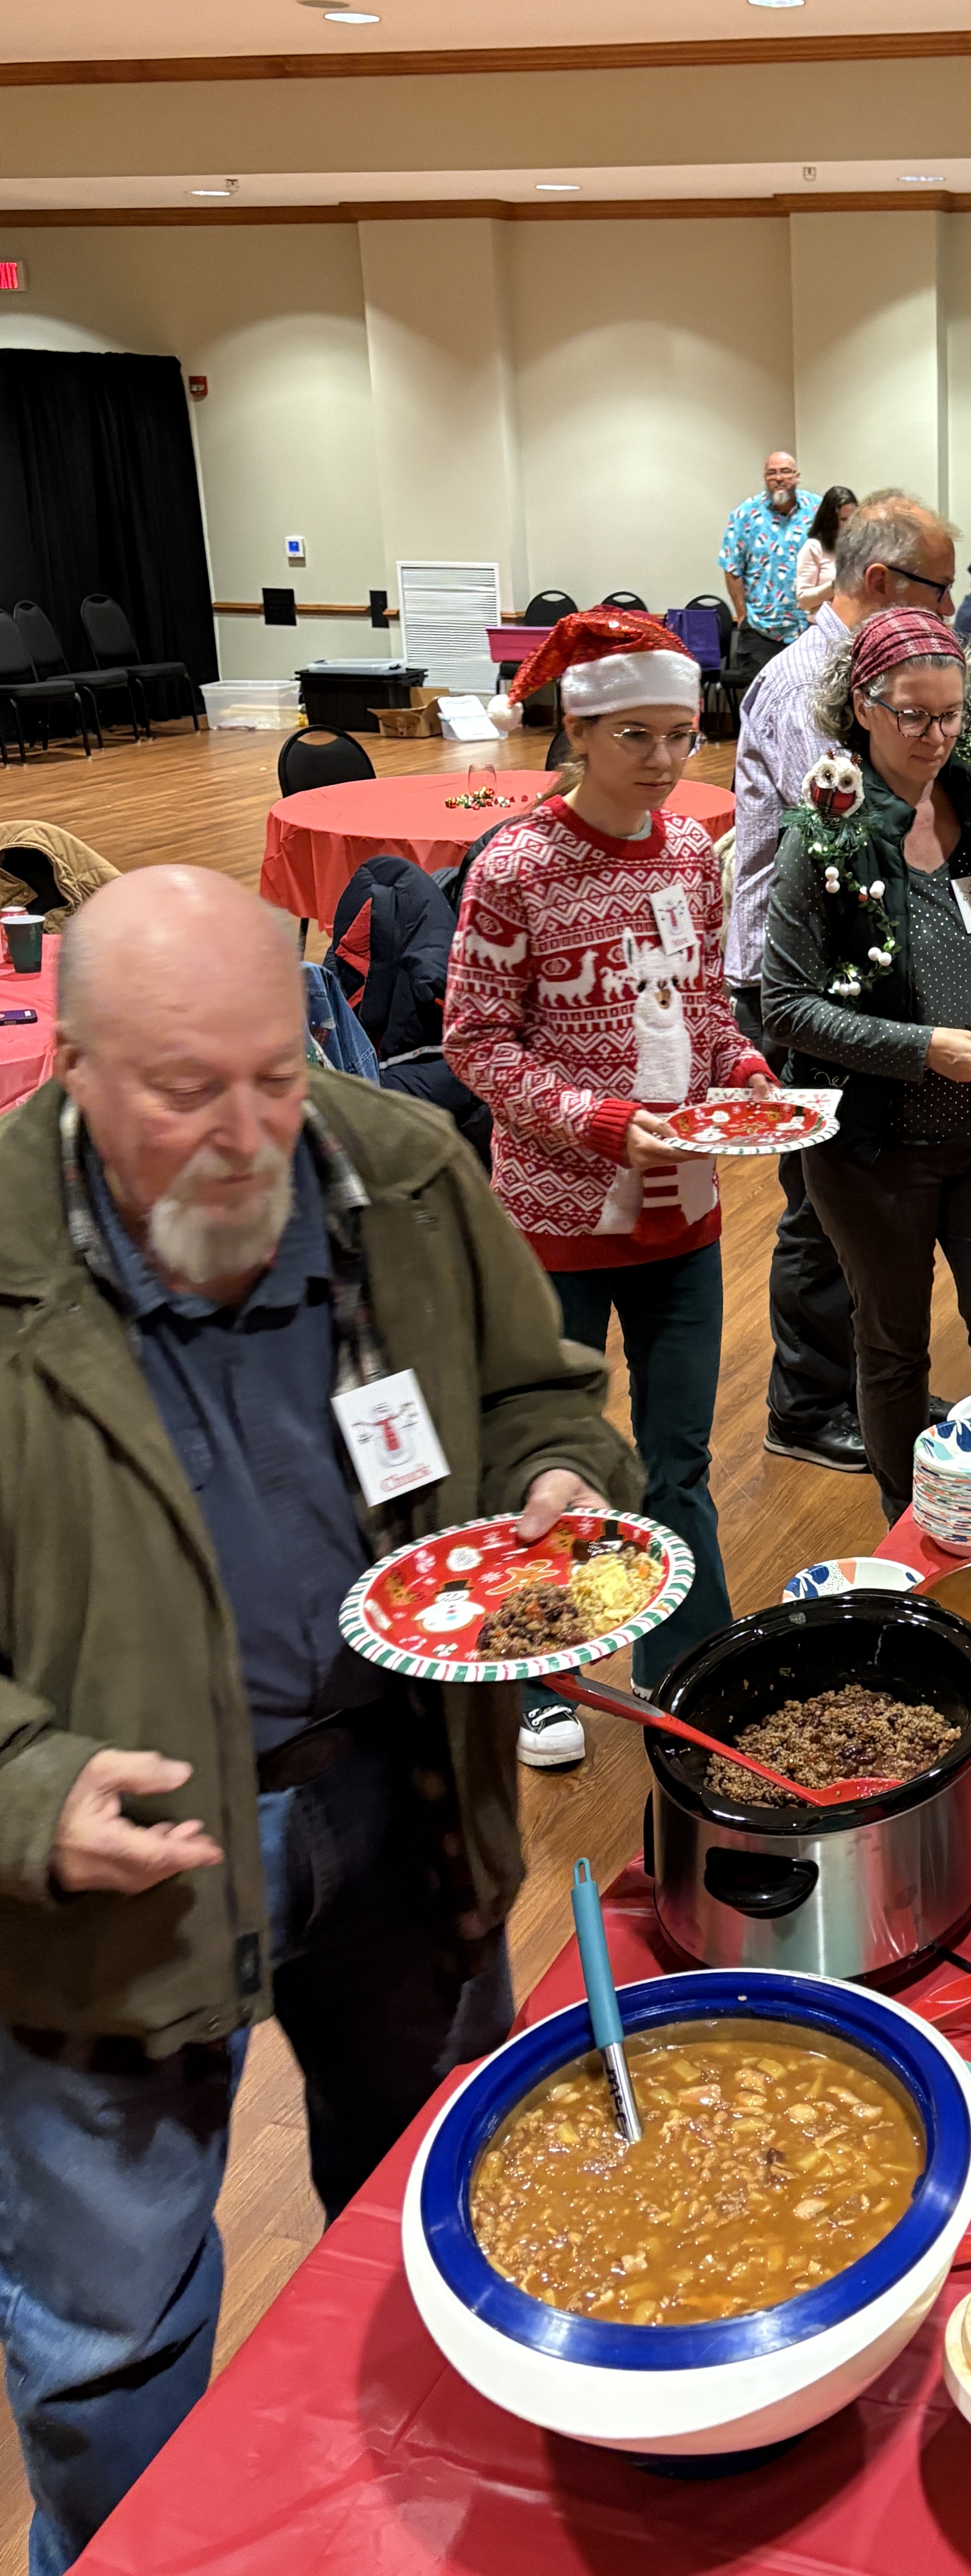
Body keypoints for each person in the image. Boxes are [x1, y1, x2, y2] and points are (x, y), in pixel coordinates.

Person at [0, 866, 634, 2573]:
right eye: (184, 1092)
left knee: (436, 2206)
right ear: (73, 1067)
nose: (247, 1136)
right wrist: (26, 1790)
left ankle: (421, 2527)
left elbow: (537, 1394)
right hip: (110, 1892)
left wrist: (559, 1483)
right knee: (108, 2335)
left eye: (275, 1075)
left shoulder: (400, 1170)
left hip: (403, 1806)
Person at [447, 610, 777, 1759]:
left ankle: (687, 1665)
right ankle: (543, 1676)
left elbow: (705, 1011)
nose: (663, 759)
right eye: (636, 735)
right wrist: (594, 1121)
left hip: (681, 1218)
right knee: (551, 1460)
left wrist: (745, 1074)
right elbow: (475, 1042)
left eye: (681, 735)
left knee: (679, 1456)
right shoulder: (515, 867)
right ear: (578, 731)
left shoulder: (690, 853)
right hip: (552, 1224)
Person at [762, 607, 971, 1516]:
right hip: (874, 1147)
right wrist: (920, 1049)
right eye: (914, 717)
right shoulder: (825, 832)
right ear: (863, 708)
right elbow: (786, 1008)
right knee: (893, 1349)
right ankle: (913, 1528)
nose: (936, 738)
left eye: (951, 715)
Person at [727, 494, 963, 1475]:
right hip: (795, 986)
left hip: (853, 980)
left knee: (858, 1194)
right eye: (937, 589)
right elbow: (848, 844)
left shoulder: (876, 677)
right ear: (877, 581)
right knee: (821, 1205)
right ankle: (807, 1403)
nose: (948, 610)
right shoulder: (805, 686)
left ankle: (867, 1388)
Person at [720, 447, 819, 677]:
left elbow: (835, 559)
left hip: (809, 628)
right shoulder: (745, 515)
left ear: (797, 476)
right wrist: (742, 617)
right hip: (760, 631)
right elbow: (731, 568)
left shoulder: (818, 510)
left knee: (810, 696)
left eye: (786, 472)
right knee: (760, 697)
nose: (779, 478)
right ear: (765, 478)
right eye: (772, 473)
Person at [792, 482, 856, 617]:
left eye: (853, 519)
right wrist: (835, 586)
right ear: (830, 521)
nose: (850, 525)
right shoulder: (814, 547)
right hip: (824, 625)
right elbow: (804, 601)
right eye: (844, 520)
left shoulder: (858, 547)